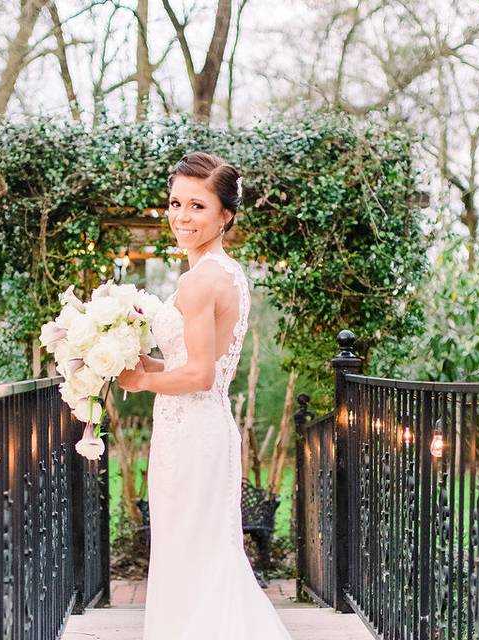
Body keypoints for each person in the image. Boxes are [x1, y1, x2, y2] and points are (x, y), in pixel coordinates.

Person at [117, 152, 293, 639]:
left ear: (225, 215)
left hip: (191, 434)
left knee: (187, 556)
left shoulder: (200, 280)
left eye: (197, 206)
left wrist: (143, 381)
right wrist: (127, 361)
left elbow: (197, 374)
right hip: (204, 428)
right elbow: (199, 364)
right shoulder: (229, 273)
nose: (181, 216)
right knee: (203, 554)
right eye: (176, 203)